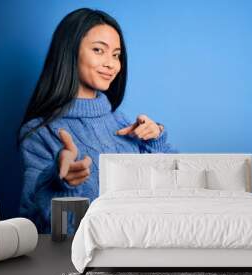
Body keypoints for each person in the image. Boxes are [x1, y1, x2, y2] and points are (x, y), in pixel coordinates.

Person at [17, 8, 178, 234]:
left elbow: (175, 190)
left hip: (145, 252)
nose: (111, 64)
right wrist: (59, 182)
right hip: (87, 262)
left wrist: (156, 140)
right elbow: (33, 224)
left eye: (116, 54)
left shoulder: (123, 123)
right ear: (69, 52)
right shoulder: (39, 133)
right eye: (98, 50)